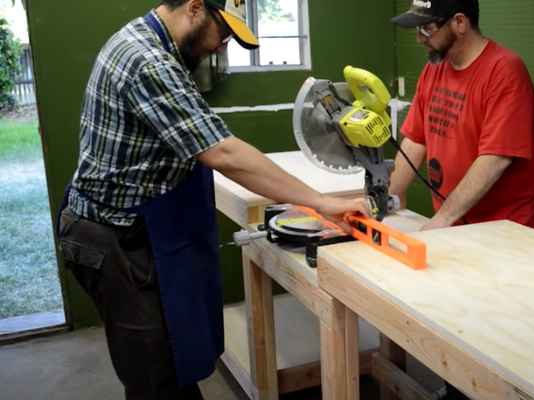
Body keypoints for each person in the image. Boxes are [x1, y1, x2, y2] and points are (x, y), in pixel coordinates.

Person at [56, 0, 367, 399]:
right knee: (155, 379)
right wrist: (321, 202)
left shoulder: (154, 43)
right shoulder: (149, 61)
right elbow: (222, 153)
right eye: (223, 32)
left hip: (131, 229)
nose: (222, 46)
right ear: (195, 8)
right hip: (112, 240)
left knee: (172, 364)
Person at [390, 0, 534, 234]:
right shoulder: (434, 69)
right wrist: (387, 197)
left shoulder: (505, 71)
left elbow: (494, 160)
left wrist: (442, 220)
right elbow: (415, 140)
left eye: (427, 29)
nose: (420, 38)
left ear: (460, 23)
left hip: (508, 232)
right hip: (457, 227)